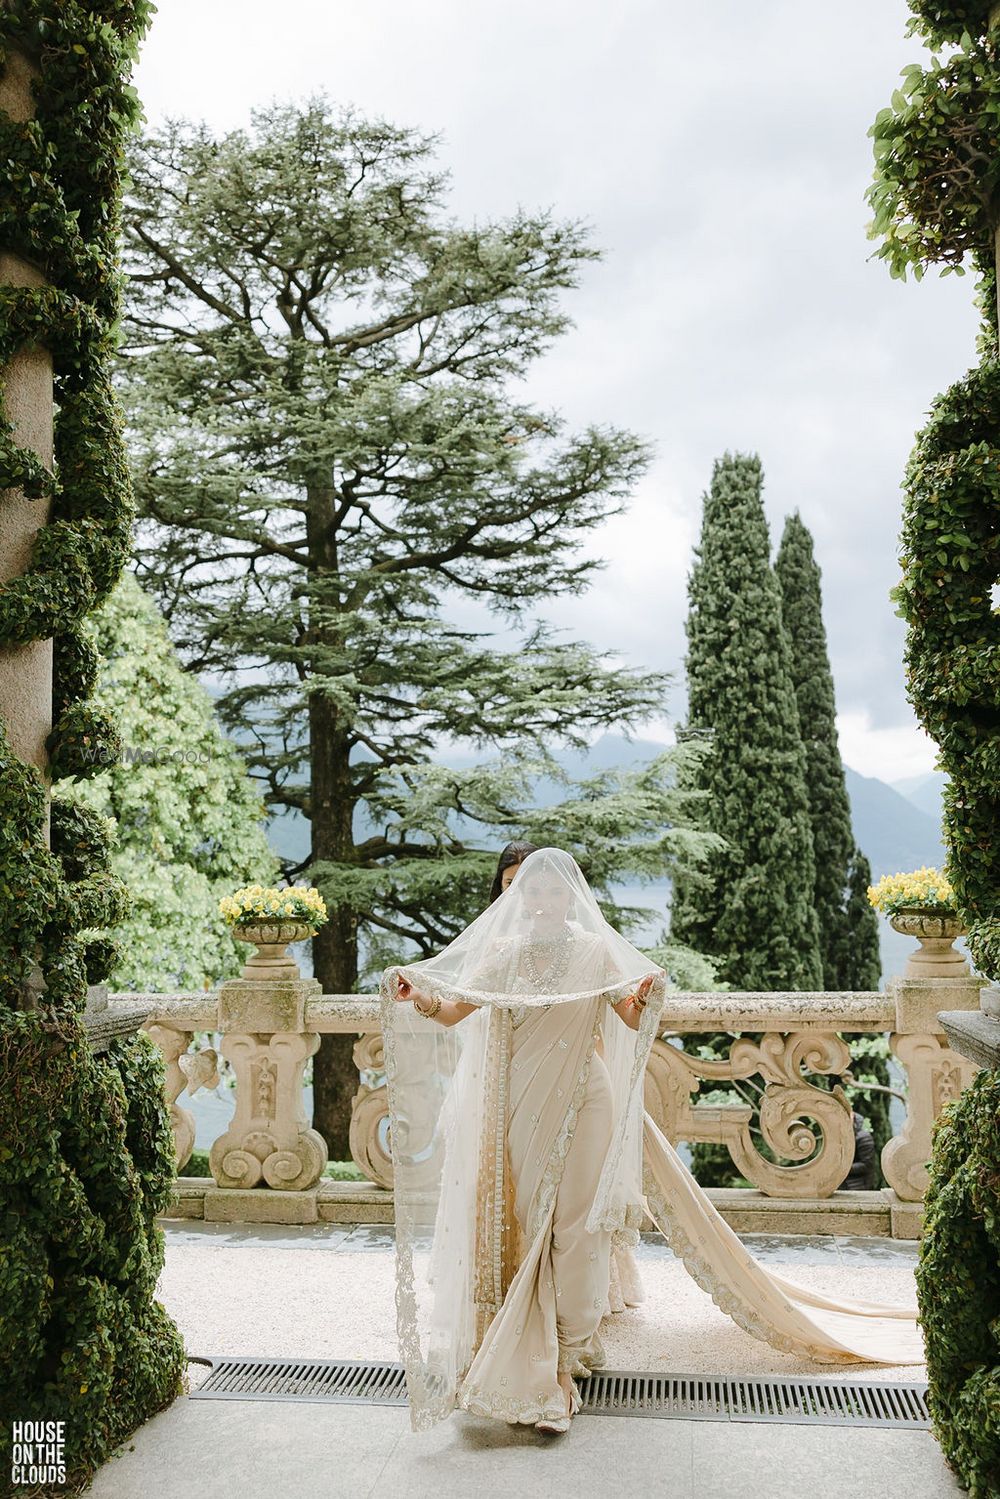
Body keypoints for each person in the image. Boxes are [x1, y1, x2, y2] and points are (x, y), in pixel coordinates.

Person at [380, 846, 925, 1437]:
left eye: (552, 891)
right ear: (513, 895)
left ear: (572, 896)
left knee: (578, 1227)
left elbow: (631, 1019)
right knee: (523, 1218)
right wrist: (420, 997)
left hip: (586, 1102)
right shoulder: (499, 953)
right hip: (517, 1105)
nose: (539, 901)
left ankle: (564, 1357)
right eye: (528, 891)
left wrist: (646, 997)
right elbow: (454, 1011)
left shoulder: (594, 950)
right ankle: (521, 1346)